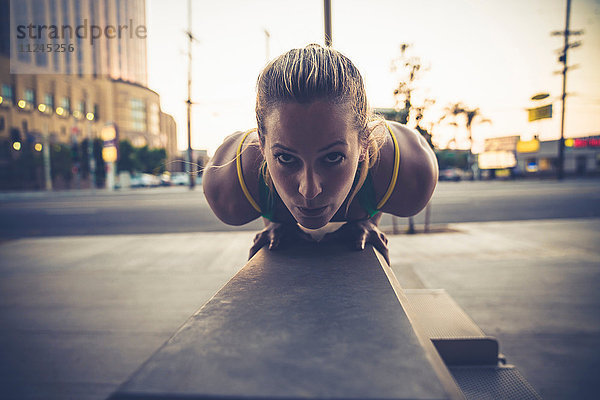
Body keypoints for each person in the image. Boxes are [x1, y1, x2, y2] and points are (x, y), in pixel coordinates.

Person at [203, 44, 438, 264]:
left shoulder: (410, 171)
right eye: (286, 158)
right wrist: (278, 219)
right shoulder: (228, 184)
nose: (309, 190)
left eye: (332, 158)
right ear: (262, 145)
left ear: (364, 143)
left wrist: (365, 218)